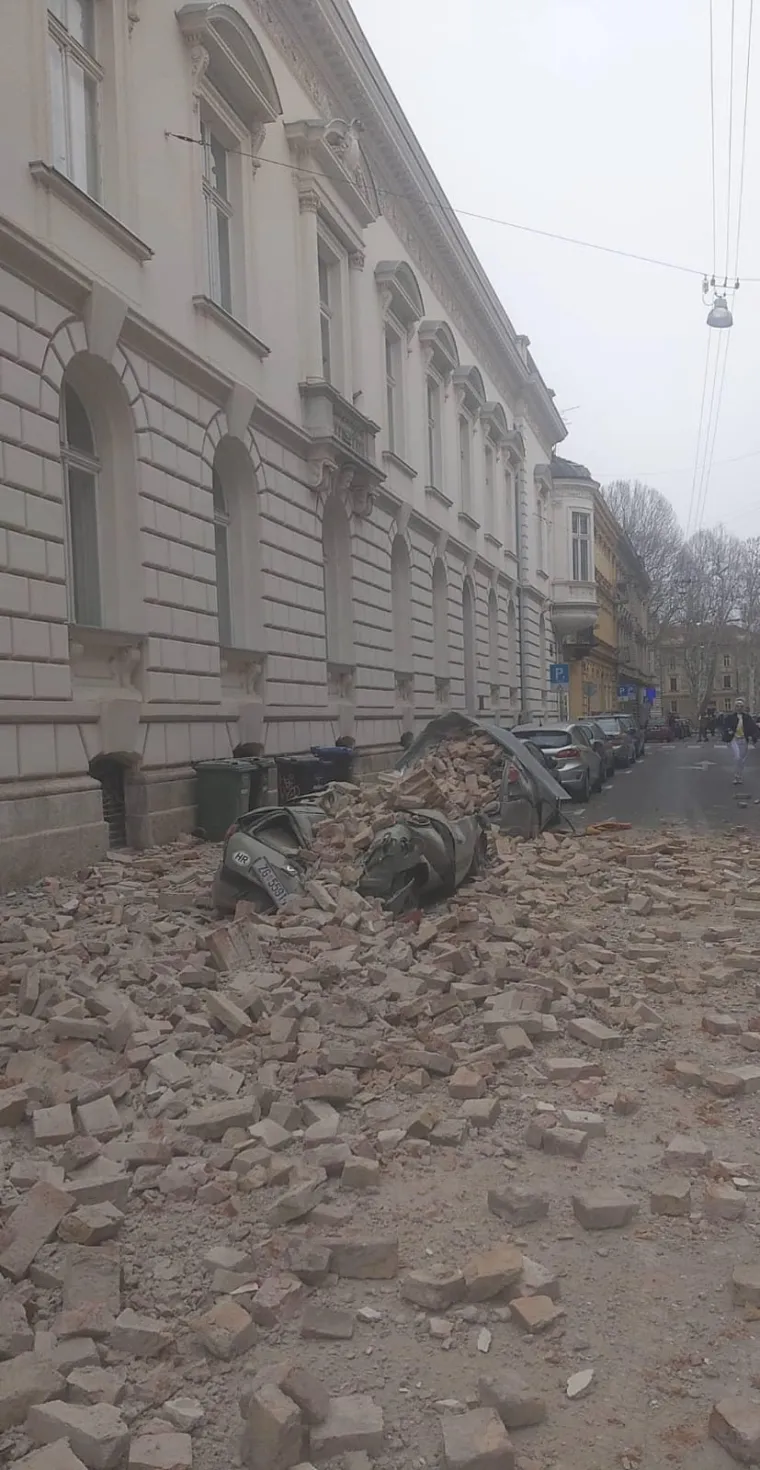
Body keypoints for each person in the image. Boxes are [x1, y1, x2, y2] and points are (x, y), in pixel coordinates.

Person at [721, 698, 760, 784]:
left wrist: (753, 736)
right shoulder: (730, 717)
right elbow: (724, 727)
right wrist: (728, 731)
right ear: (735, 707)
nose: (739, 708)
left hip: (743, 740)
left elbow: (754, 728)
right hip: (734, 739)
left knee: (741, 760)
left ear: (743, 707)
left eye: (741, 706)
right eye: (737, 706)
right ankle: (736, 776)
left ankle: (739, 775)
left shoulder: (747, 717)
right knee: (737, 757)